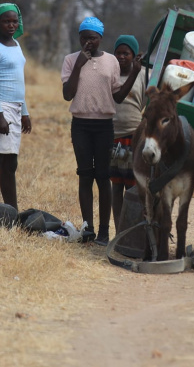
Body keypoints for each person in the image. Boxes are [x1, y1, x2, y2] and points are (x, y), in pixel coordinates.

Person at [61, 17, 142, 244]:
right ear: (79, 38)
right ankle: (88, 228)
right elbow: (68, 94)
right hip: (81, 125)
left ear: (100, 39)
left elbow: (117, 96)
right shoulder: (70, 60)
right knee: (85, 175)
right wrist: (79, 64)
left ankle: (105, 232)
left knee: (103, 176)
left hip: (105, 125)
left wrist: (134, 73)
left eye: (93, 38)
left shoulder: (111, 62)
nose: (88, 42)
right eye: (84, 38)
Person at [0, 3, 32, 211]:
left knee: (11, 164)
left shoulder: (16, 45)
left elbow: (18, 81)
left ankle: (11, 210)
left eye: (14, 21)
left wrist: (25, 112)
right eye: (6, 21)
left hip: (16, 107)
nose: (11, 25)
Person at [109, 35, 147, 231]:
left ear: (134, 56)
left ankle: (133, 230)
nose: (121, 57)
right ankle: (119, 229)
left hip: (134, 137)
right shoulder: (110, 74)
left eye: (126, 53)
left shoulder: (143, 75)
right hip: (113, 138)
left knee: (133, 186)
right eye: (118, 53)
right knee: (116, 185)